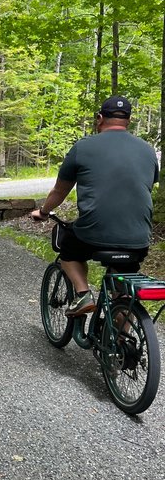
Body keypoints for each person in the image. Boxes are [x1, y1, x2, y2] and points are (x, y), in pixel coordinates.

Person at [31, 96, 159, 316]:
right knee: (122, 293)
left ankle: (82, 294)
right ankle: (124, 342)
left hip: (94, 233)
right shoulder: (147, 150)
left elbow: (60, 191)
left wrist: (43, 212)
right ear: (129, 120)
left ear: (100, 118)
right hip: (138, 237)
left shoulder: (83, 147)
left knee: (68, 250)